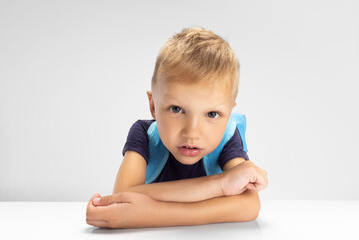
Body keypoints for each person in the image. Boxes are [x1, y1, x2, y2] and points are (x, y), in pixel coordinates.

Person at [86, 27, 268, 229]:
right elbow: (122, 197)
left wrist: (152, 214)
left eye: (212, 114)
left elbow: (249, 205)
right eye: (176, 109)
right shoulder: (144, 135)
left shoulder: (228, 136)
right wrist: (220, 185)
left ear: (228, 114)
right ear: (153, 106)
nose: (192, 132)